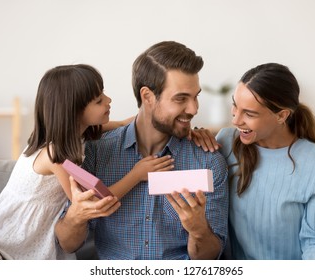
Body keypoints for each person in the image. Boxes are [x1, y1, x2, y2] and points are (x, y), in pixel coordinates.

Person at [55, 41, 229, 260]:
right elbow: (68, 243)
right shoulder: (96, 153)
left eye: (196, 96)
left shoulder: (207, 161)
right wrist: (76, 216)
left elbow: (210, 257)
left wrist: (198, 230)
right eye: (181, 98)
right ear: (147, 96)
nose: (194, 109)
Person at [0, 64, 174, 260]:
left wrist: (170, 120)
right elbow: (93, 203)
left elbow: (121, 124)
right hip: (18, 237)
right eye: (99, 100)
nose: (109, 100)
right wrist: (137, 174)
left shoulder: (76, 133)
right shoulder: (55, 154)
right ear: (74, 112)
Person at [216, 62, 315, 259]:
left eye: (249, 113)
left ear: (282, 116)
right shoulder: (226, 143)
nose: (236, 120)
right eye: (235, 106)